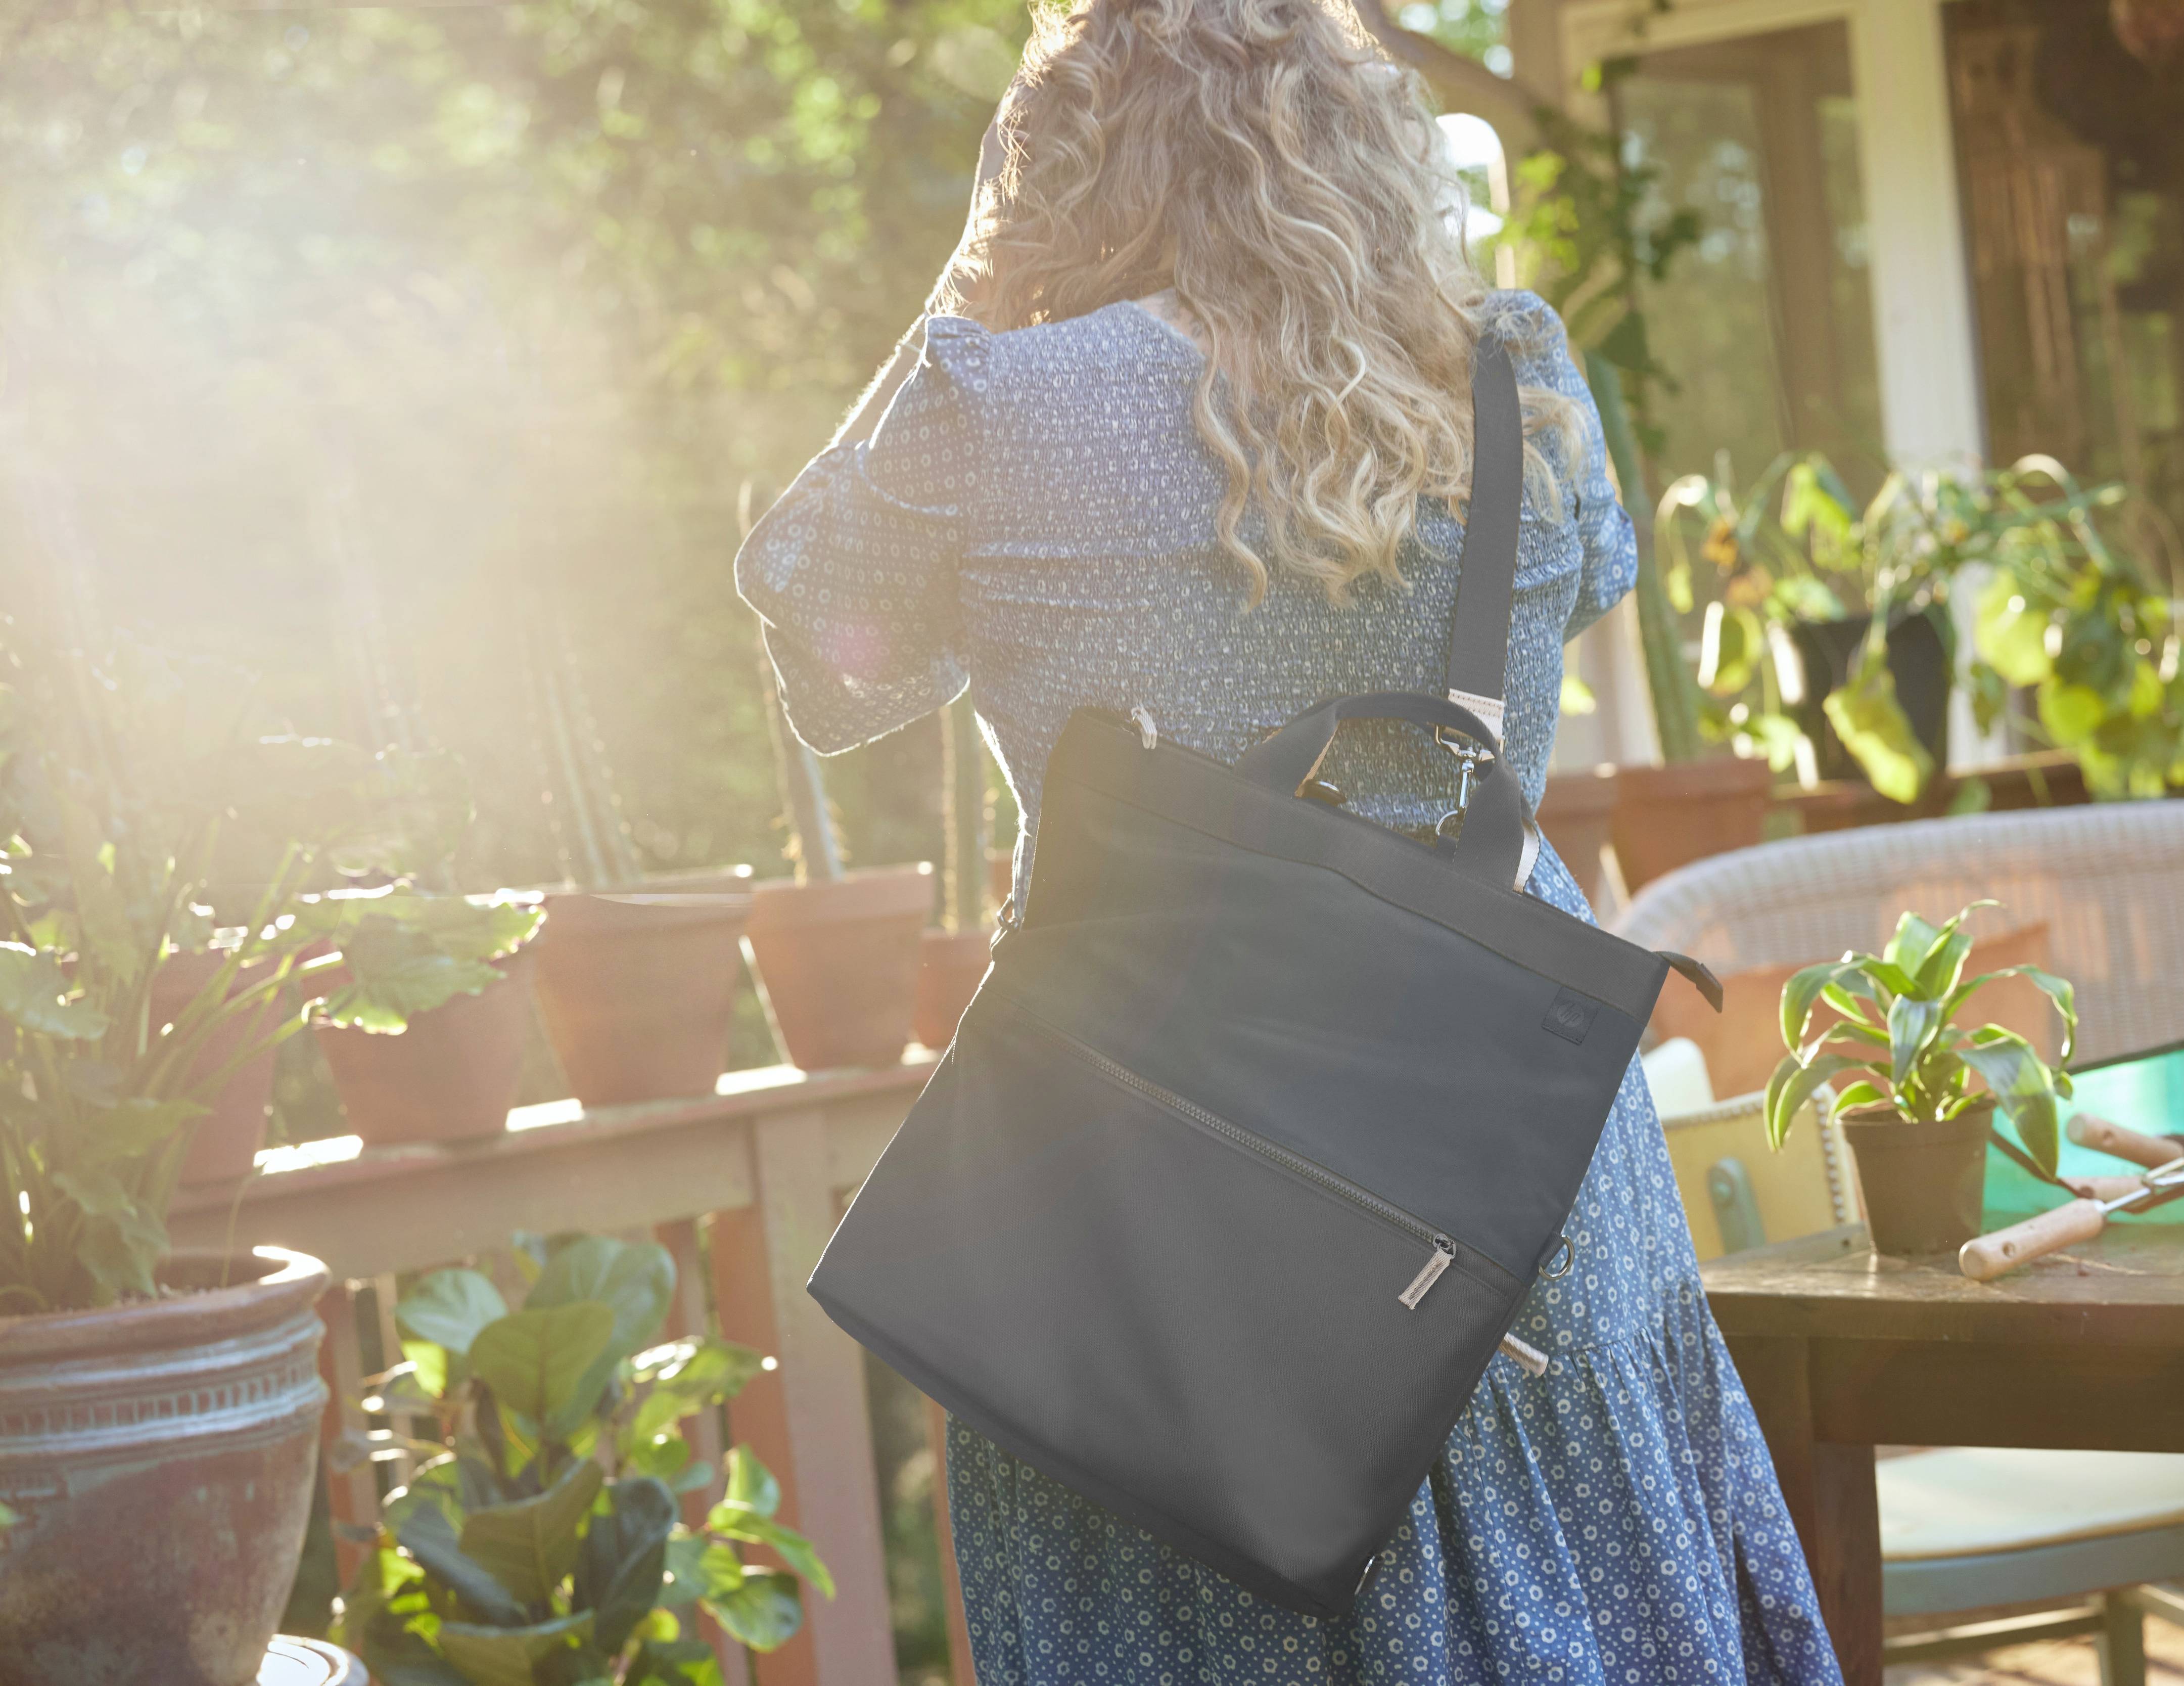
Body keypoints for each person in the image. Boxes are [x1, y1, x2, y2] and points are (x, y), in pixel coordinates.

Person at [734, 0, 1840, 1678]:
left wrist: (976, 287)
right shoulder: (1515, 378)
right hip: (1512, 1157)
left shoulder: (995, 409)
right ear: (1365, 142)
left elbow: (819, 650)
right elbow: (1592, 591)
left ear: (1064, 162)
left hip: (1149, 1166)